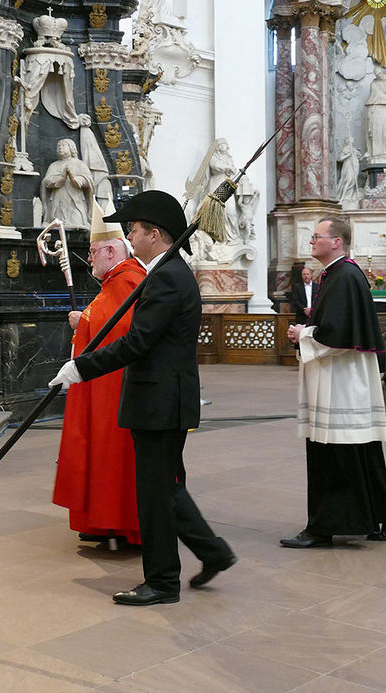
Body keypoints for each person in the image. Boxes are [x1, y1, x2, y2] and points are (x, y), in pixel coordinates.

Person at [50, 190, 235, 606]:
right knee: (165, 488)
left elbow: (138, 341)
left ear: (155, 233)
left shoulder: (168, 277)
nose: (130, 238)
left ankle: (163, 582)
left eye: (133, 229)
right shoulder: (165, 271)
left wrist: (83, 366)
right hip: (161, 398)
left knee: (155, 494)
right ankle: (213, 552)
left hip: (160, 401)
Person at [283, 217, 386, 548]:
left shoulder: (344, 276)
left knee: (339, 454)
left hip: (342, 381)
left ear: (336, 242)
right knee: (356, 453)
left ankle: (324, 527)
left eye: (317, 237)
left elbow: (338, 334)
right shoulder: (338, 275)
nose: (311, 242)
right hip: (342, 379)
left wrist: (304, 333)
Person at [53, 205, 146, 546]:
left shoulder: (128, 279)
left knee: (113, 453)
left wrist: (85, 322)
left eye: (93, 252)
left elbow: (124, 329)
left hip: (115, 388)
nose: (90, 259)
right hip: (101, 384)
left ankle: (118, 523)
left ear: (110, 250)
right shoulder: (113, 281)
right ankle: (101, 521)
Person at [41, 139, 95, 230]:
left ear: (71, 148)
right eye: (58, 146)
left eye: (63, 145)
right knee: (58, 223)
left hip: (76, 199)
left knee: (77, 220)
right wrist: (62, 178)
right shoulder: (54, 165)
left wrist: (74, 178)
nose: (60, 148)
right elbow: (46, 182)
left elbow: (88, 181)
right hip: (59, 199)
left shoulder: (79, 164)